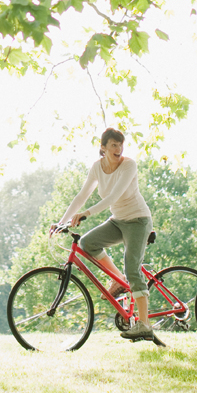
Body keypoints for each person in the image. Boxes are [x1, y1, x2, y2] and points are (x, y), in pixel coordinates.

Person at [56, 128, 155, 340]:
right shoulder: (97, 168)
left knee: (133, 268)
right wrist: (61, 222)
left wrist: (87, 214)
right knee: (87, 243)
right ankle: (118, 279)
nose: (118, 149)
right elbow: (82, 195)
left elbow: (113, 196)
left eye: (121, 145)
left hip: (138, 220)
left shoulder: (129, 165)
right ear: (103, 148)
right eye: (113, 145)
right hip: (118, 221)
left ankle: (145, 324)